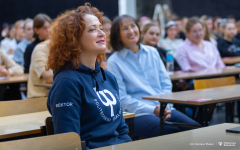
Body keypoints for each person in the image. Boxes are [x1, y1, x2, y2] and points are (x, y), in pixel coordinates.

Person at [46, 3, 131, 149]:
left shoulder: (109, 77)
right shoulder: (66, 83)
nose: (102, 34)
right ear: (74, 39)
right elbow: (69, 143)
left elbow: (121, 129)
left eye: (101, 28)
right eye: (92, 30)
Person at [108, 15, 200, 138]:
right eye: (124, 28)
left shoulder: (152, 52)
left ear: (139, 28)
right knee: (170, 132)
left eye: (133, 26)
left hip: (164, 108)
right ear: (117, 35)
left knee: (197, 130)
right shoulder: (114, 61)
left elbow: (166, 83)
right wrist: (153, 110)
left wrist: (166, 106)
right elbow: (122, 99)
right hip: (137, 114)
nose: (131, 31)